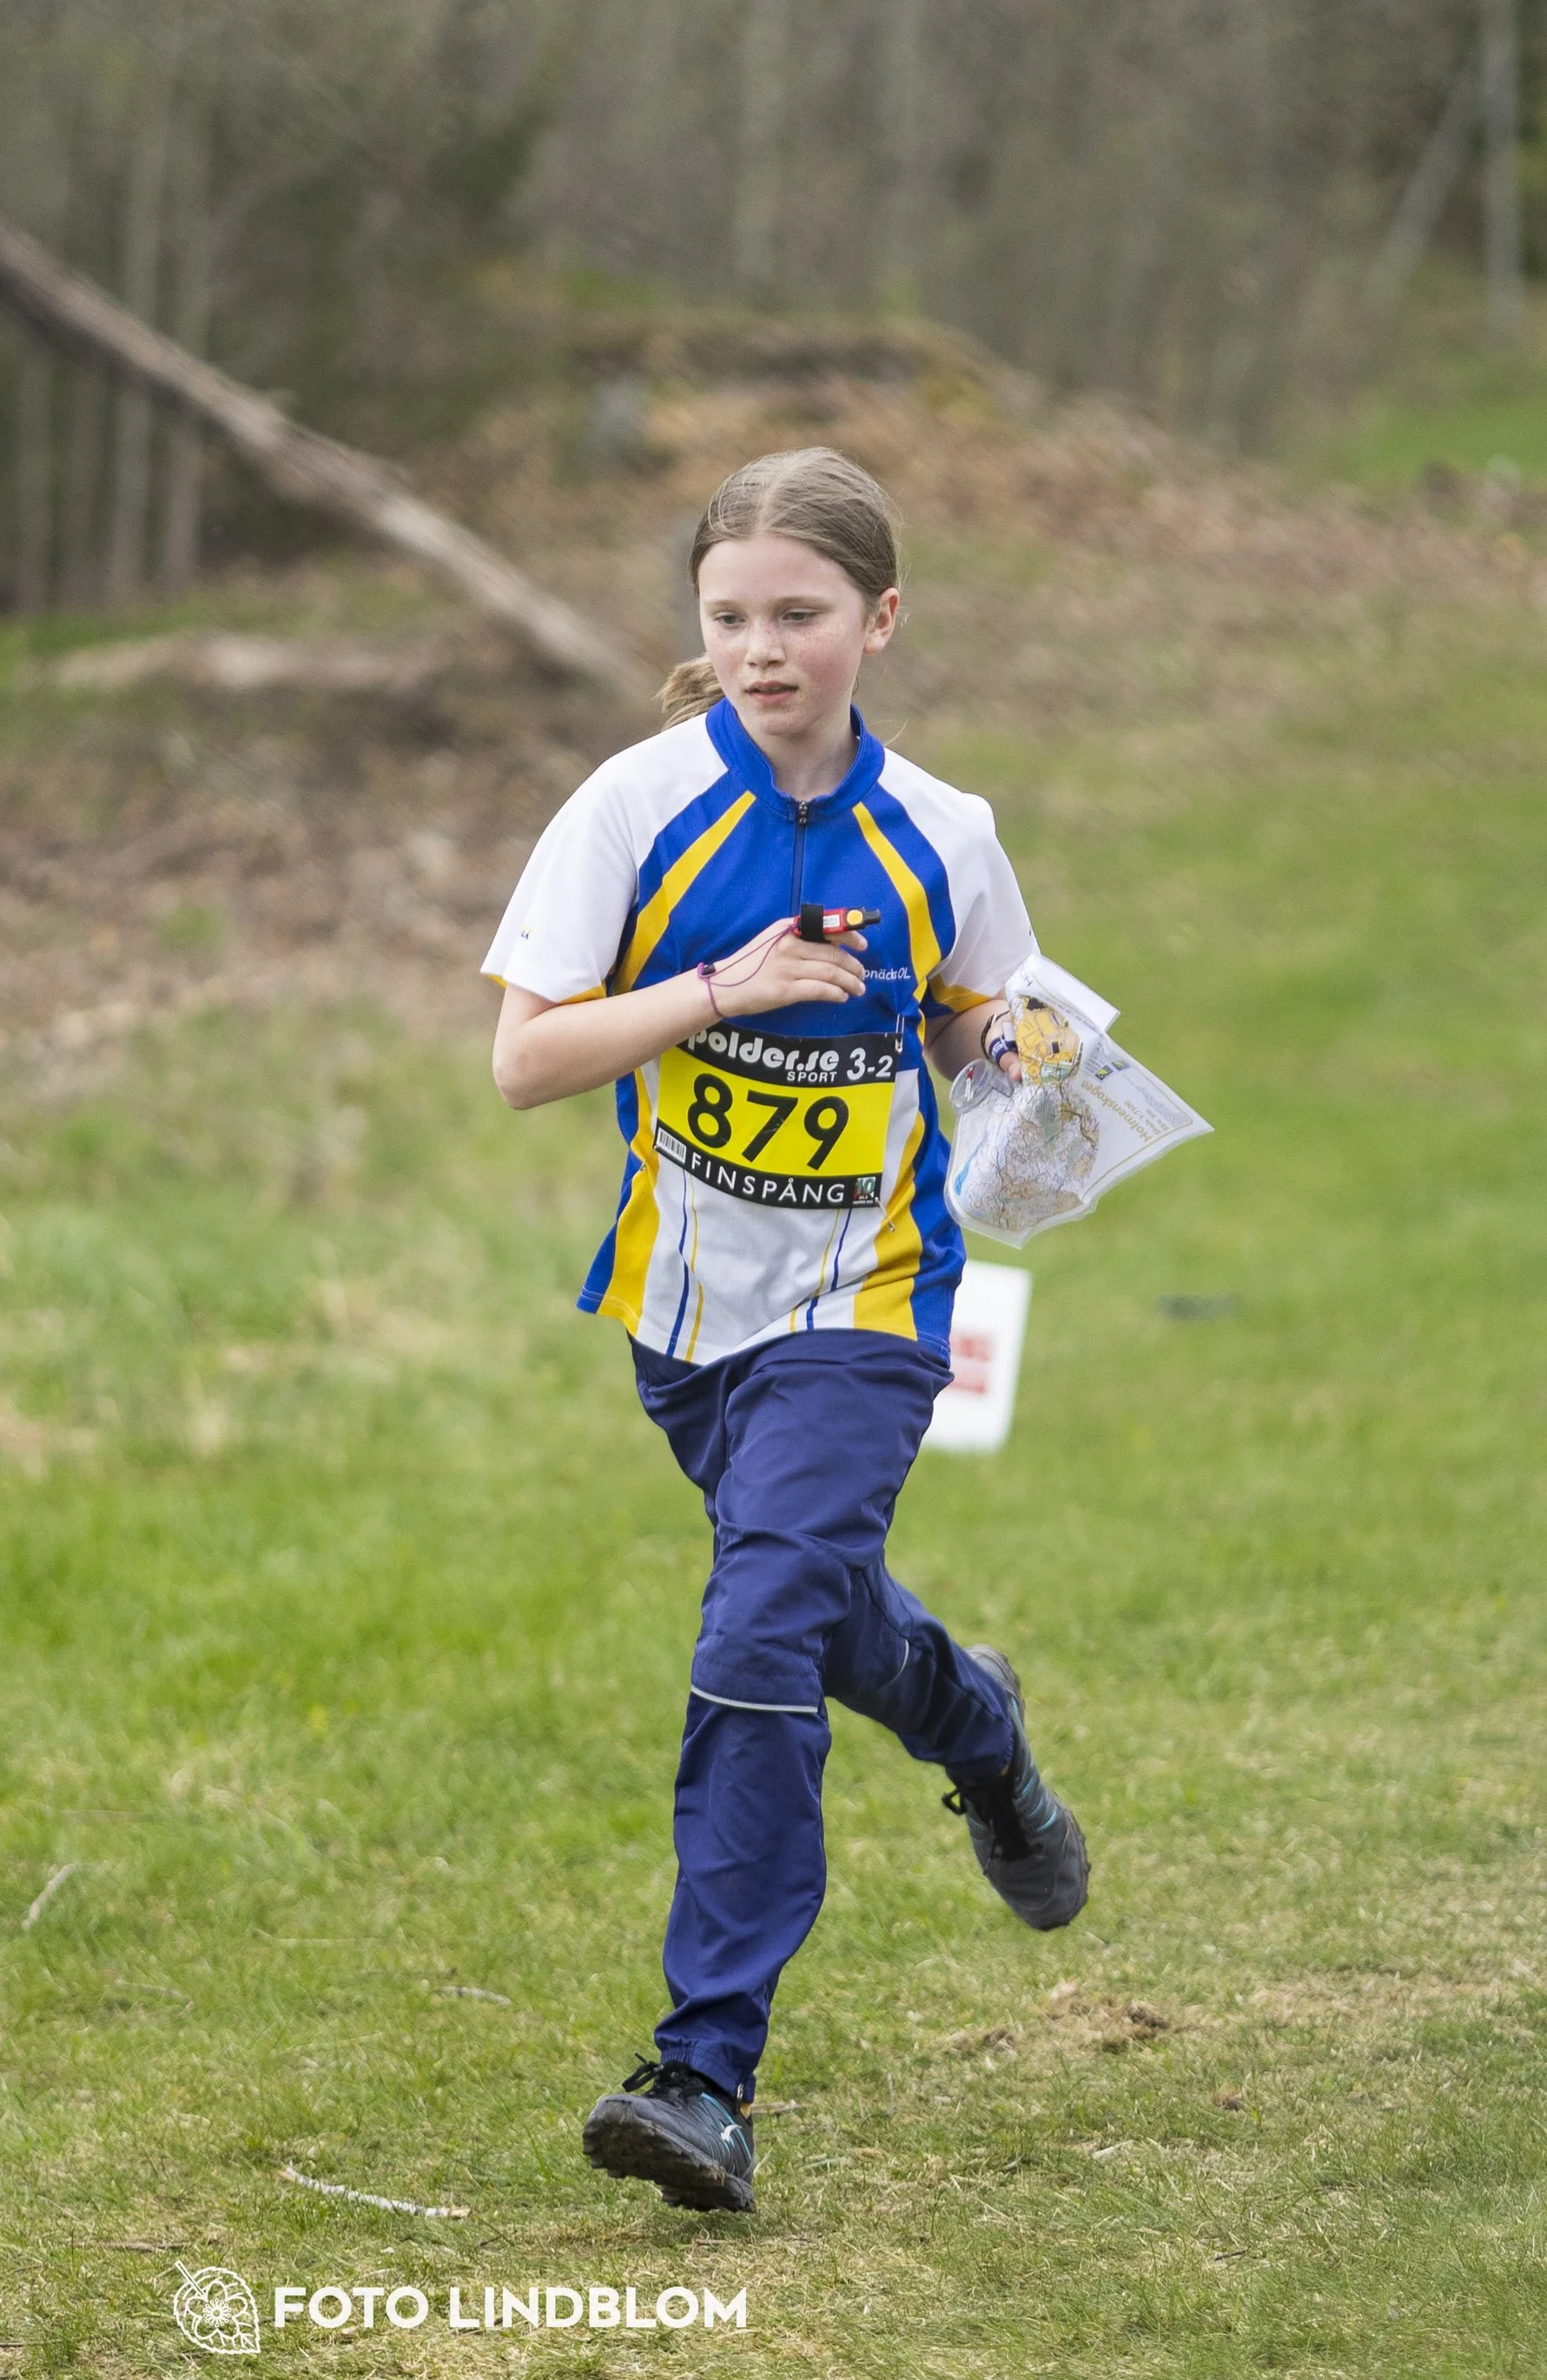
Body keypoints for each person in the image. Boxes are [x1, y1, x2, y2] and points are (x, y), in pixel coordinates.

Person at [484, 446, 1088, 2218]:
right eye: (730, 614)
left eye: (799, 615)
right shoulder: (633, 807)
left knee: (755, 1628)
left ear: (877, 621)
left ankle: (703, 2074)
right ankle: (978, 1726)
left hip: (868, 1297)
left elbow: (977, 1021)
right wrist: (715, 991)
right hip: (683, 1312)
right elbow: (524, 1058)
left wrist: (1029, 1063)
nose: (761, 648)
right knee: (815, 1613)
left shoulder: (944, 834)